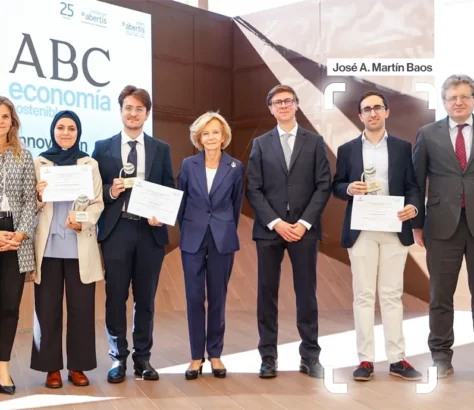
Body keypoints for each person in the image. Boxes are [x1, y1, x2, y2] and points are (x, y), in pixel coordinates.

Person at [332, 91, 423, 381]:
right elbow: (336, 186)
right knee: (363, 294)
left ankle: (397, 359)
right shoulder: (347, 149)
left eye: (377, 108)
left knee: (392, 294)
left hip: (394, 227)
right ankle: (366, 360)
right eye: (366, 109)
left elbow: (412, 186)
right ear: (360, 116)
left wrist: (413, 206)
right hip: (362, 229)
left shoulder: (401, 147)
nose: (372, 113)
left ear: (387, 112)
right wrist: (348, 189)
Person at [246, 85, 331, 378]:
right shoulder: (260, 143)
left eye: (288, 101)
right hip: (269, 231)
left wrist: (304, 222)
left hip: (304, 231)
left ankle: (310, 356)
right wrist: (276, 223)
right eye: (277, 102)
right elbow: (253, 189)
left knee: (306, 294)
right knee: (266, 294)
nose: (283, 106)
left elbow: (323, 185)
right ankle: (268, 357)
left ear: (296, 105)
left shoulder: (315, 142)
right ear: (270, 108)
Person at [92, 85, 175, 383]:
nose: (133, 113)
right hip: (117, 230)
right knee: (115, 298)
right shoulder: (102, 147)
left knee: (146, 300)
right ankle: (118, 360)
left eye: (140, 109)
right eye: (129, 107)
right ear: (120, 111)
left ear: (147, 114)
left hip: (150, 232)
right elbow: (92, 189)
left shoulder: (161, 149)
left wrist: (161, 215)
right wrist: (109, 191)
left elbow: (169, 188)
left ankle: (143, 359)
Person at [31, 110, 104, 388]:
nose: (65, 132)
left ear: (78, 132)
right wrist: (38, 195)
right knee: (46, 310)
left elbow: (97, 204)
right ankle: (51, 368)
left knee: (81, 310)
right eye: (60, 127)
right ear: (52, 130)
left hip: (78, 247)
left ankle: (77, 367)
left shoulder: (89, 164)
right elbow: (31, 203)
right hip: (48, 248)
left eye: (71, 128)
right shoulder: (40, 162)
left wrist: (81, 220)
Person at [413, 74, 474, 378]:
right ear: (444, 102)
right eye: (453, 97)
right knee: (440, 295)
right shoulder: (428, 133)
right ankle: (440, 355)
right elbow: (415, 181)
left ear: (472, 99)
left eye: (464, 96)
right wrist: (416, 223)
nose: (459, 102)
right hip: (440, 226)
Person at [177, 112, 244, 380]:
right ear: (198, 138)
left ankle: (215, 354)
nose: (211, 137)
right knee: (194, 298)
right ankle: (196, 356)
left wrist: (223, 228)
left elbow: (237, 205)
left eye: (216, 132)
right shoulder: (187, 164)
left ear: (224, 136)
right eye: (205, 133)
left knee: (218, 297)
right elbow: (180, 202)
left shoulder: (236, 167)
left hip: (222, 238)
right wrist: (190, 229)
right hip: (192, 238)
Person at [0, 96, 36, 395]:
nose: (1, 120)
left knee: (10, 307)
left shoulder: (24, 157)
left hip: (15, 240)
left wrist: (20, 234)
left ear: (13, 121)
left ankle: (3, 369)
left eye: (6, 116)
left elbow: (28, 201)